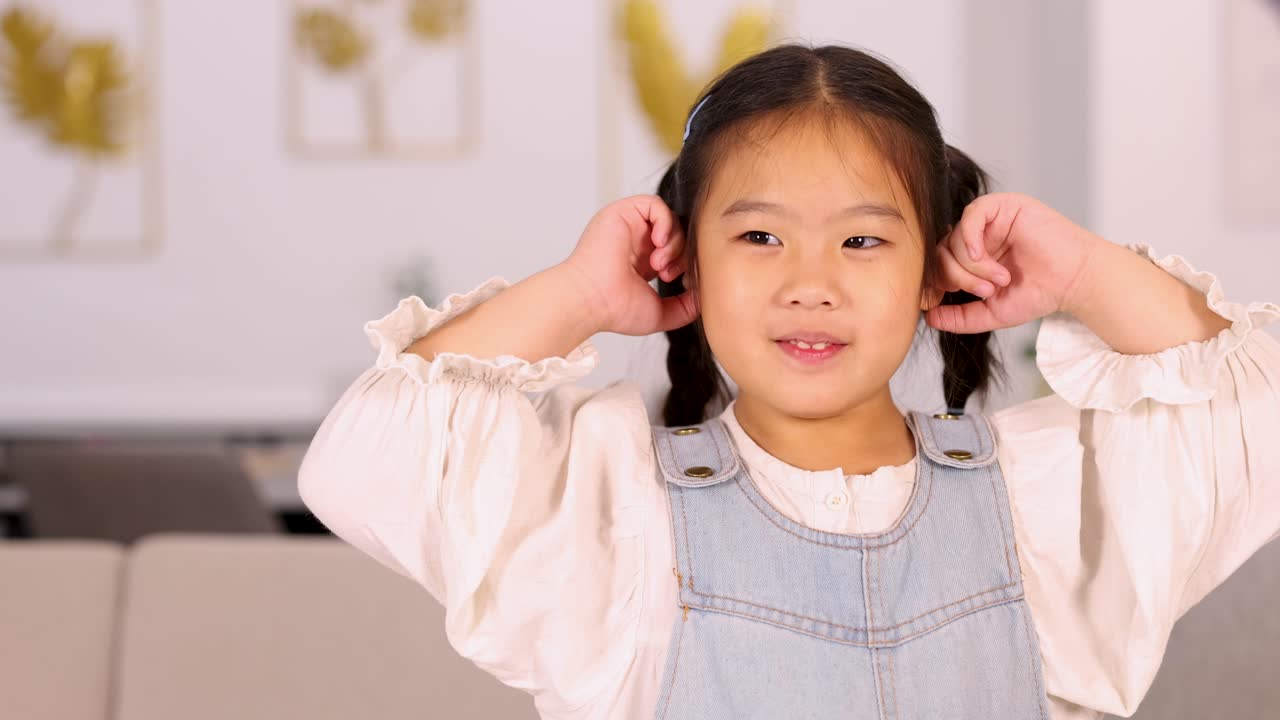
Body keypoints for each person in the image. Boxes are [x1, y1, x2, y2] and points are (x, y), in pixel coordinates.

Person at [297, 43, 1280, 719]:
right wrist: (576, 293)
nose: (809, 285)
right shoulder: (610, 519)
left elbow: (1250, 419)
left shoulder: (1038, 510)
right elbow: (366, 463)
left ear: (932, 265)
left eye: (861, 240)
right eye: (758, 236)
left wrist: (1078, 272)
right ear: (685, 259)